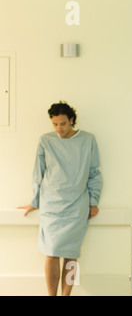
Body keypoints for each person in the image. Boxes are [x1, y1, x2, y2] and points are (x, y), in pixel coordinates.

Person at [18, 101, 103, 296]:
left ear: (71, 120)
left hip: (77, 206)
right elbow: (37, 174)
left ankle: (66, 294)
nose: (59, 128)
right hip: (51, 206)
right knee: (52, 252)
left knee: (72, 254)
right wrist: (34, 201)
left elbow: (94, 173)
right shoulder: (45, 141)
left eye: (63, 123)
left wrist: (94, 201)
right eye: (55, 124)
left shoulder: (88, 140)